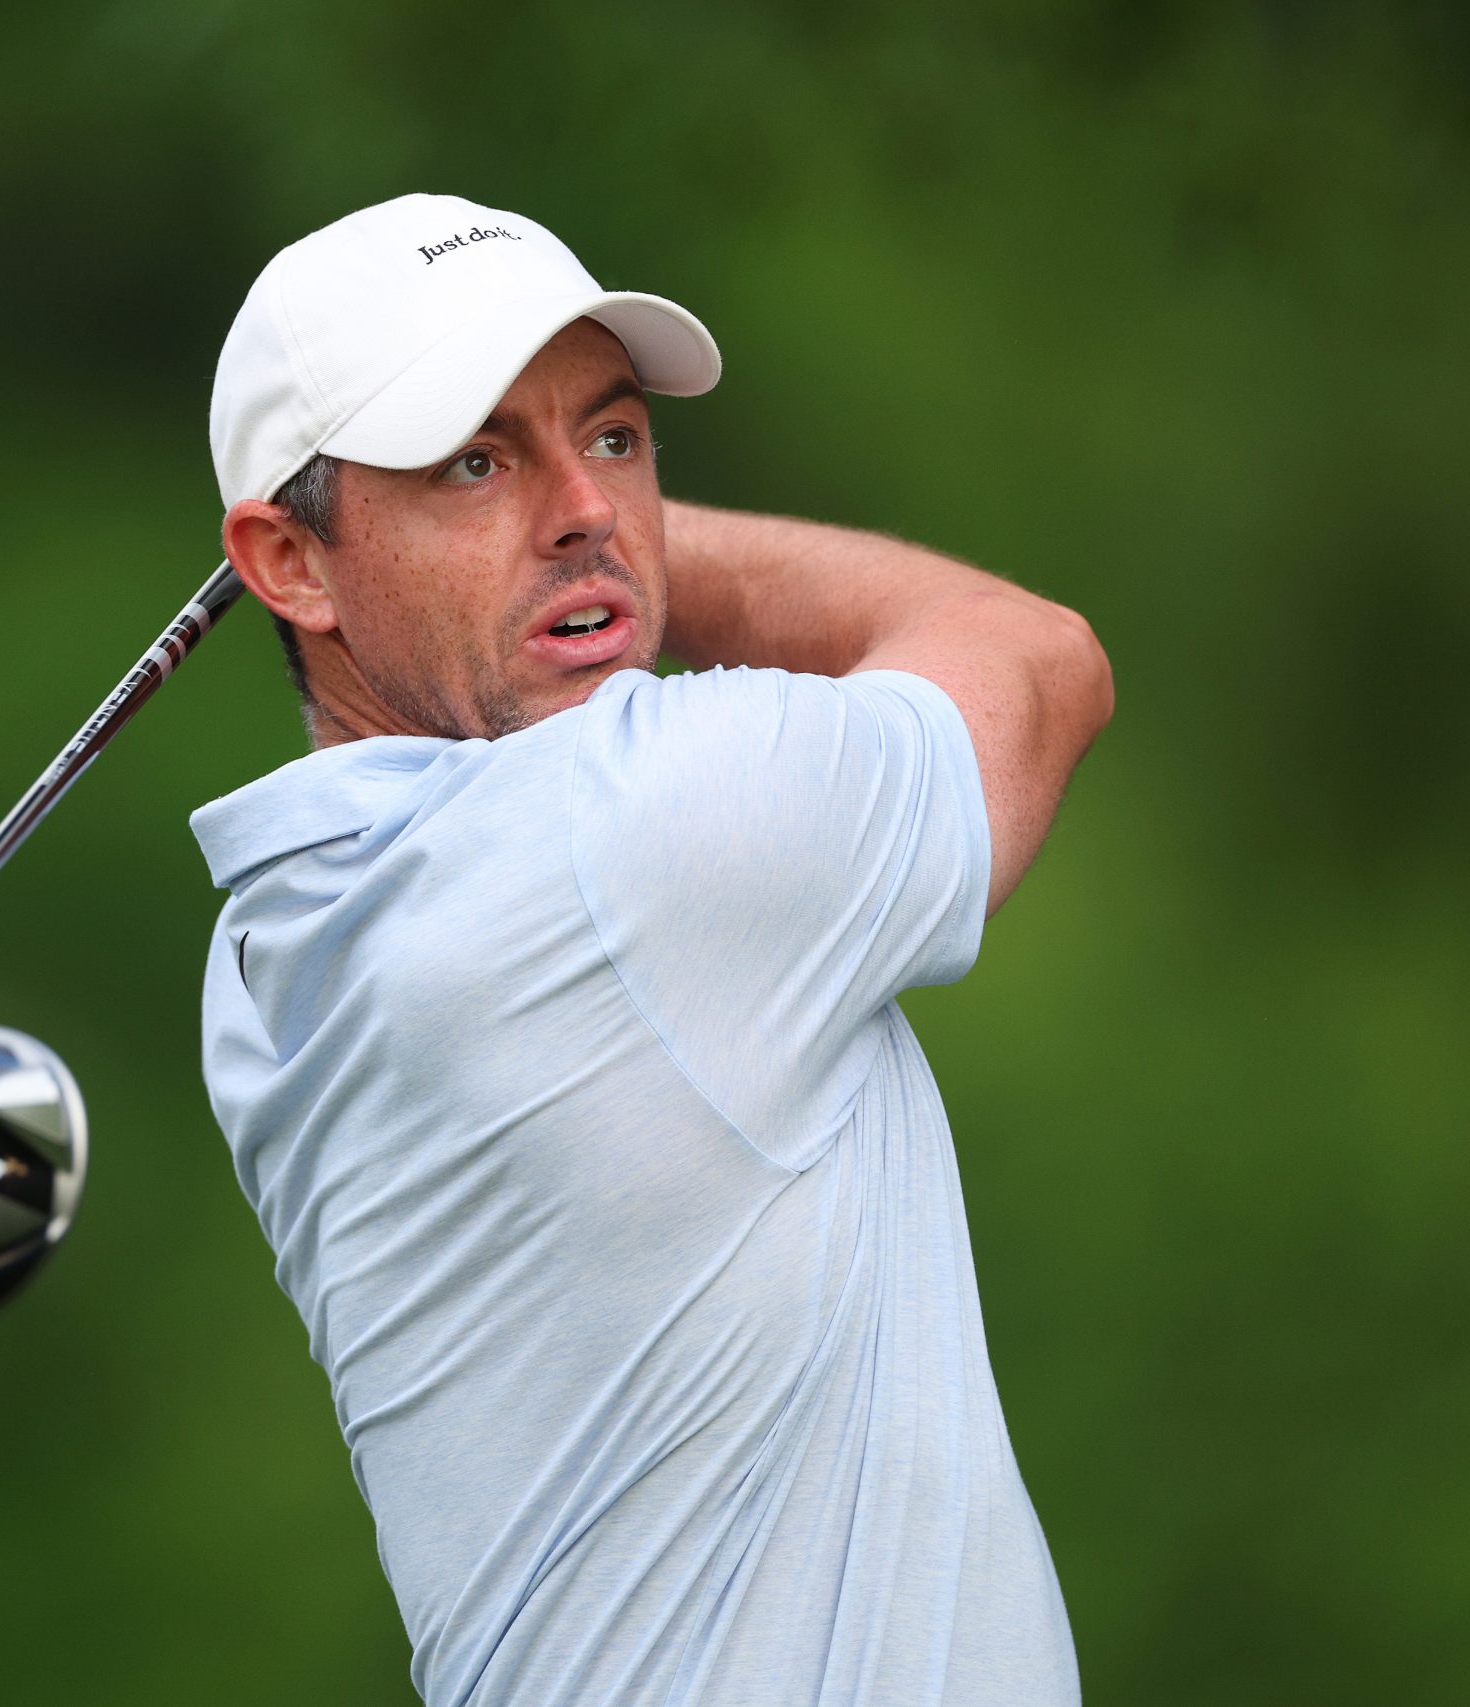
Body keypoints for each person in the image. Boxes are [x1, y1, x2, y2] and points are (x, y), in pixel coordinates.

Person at [191, 193, 1113, 1707]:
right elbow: (1037, 658)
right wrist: (625, 555)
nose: (586, 508)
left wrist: (545, 545)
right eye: (475, 460)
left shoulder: (275, 940)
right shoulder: (626, 833)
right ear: (287, 562)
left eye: (615, 437)